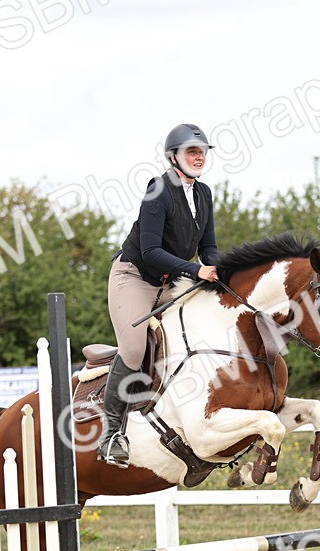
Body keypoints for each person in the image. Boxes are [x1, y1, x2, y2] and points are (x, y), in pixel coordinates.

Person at [98, 123, 223, 467]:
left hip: (171, 279)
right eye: (191, 152)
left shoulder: (204, 193)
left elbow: (208, 247)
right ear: (173, 157)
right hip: (135, 276)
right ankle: (111, 436)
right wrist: (197, 270)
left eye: (201, 152)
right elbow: (151, 250)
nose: (198, 158)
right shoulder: (159, 190)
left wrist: (224, 272)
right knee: (135, 347)